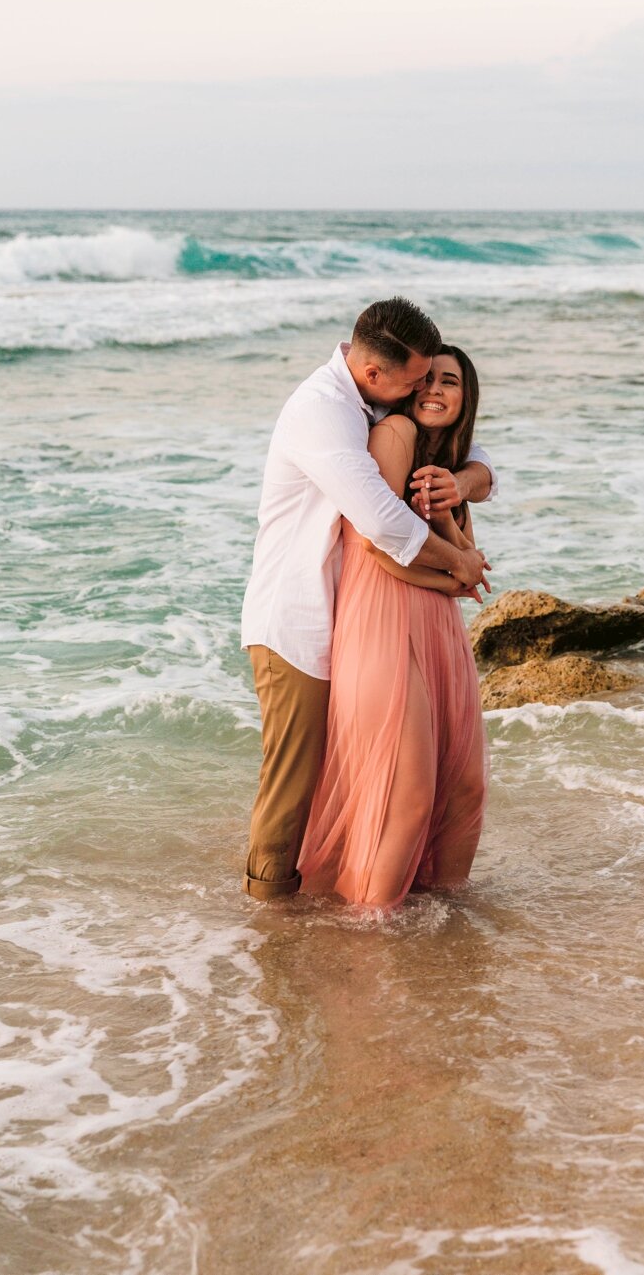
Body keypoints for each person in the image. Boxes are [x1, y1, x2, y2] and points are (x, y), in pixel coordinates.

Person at [239, 299, 493, 903]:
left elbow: (472, 450)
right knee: (294, 785)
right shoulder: (324, 412)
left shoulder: (370, 397)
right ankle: (267, 922)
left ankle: (330, 907)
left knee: (354, 775)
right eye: (416, 378)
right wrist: (458, 565)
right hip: (295, 620)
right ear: (378, 375)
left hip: (346, 614)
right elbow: (382, 523)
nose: (421, 388)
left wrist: (468, 479)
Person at [298, 344, 489, 908]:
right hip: (384, 615)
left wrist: (459, 513)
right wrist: (451, 580)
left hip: (435, 622)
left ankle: (444, 917)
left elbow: (466, 552)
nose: (434, 389)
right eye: (426, 379)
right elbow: (374, 545)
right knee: (406, 796)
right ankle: (372, 931)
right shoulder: (396, 434)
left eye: (449, 382)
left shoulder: (447, 465)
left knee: (461, 784)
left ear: (467, 397)